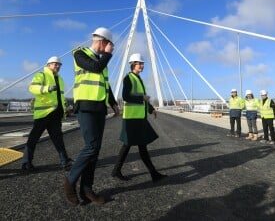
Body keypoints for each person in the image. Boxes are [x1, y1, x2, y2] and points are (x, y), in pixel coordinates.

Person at [63, 27, 120, 206]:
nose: (110, 48)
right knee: (91, 146)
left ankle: (87, 189)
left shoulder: (101, 60)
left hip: (99, 108)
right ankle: (70, 181)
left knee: (95, 151)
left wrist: (113, 104)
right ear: (102, 41)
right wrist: (108, 55)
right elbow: (94, 68)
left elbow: (105, 84)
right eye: (110, 44)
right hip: (86, 106)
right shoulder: (80, 54)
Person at [111, 53, 167, 183]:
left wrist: (151, 109)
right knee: (130, 145)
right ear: (133, 64)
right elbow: (125, 97)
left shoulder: (138, 79)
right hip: (132, 118)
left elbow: (142, 99)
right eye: (139, 63)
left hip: (138, 117)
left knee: (138, 146)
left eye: (142, 63)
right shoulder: (128, 78)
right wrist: (142, 98)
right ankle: (152, 174)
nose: (142, 65)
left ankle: (152, 173)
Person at [21, 56, 72, 171]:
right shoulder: (41, 75)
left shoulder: (61, 79)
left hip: (56, 113)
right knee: (34, 138)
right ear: (48, 65)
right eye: (55, 64)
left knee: (58, 139)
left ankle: (65, 162)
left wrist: (63, 109)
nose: (57, 66)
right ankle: (26, 163)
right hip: (43, 113)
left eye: (59, 65)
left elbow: (60, 97)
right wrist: (47, 88)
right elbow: (32, 88)